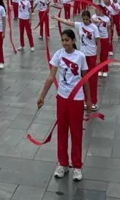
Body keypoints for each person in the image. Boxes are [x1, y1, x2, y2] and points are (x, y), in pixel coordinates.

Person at [36, 28, 92, 182]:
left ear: (73, 41)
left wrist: (88, 99)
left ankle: (77, 166)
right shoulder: (58, 55)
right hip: (62, 98)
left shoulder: (80, 56)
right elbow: (51, 77)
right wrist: (42, 96)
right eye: (63, 40)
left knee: (76, 133)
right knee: (61, 131)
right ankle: (63, 164)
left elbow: (85, 78)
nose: (65, 43)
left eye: (67, 40)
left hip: (76, 99)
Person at [51, 10, 100, 111]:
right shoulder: (79, 25)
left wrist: (98, 57)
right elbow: (68, 22)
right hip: (82, 56)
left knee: (92, 80)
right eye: (84, 19)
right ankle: (83, 100)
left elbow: (98, 43)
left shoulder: (94, 28)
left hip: (92, 55)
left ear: (90, 18)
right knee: (82, 79)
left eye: (87, 19)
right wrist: (57, 18)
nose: (85, 21)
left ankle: (93, 101)